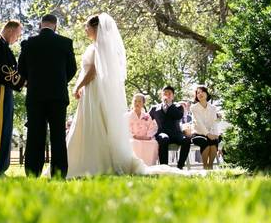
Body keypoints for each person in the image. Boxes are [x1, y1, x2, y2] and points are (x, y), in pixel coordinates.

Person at [66, 14, 187, 177]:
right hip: (92, 92)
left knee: (95, 124)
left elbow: (93, 71)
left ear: (96, 28)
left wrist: (77, 87)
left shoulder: (99, 48)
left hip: (93, 91)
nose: (85, 29)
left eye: (87, 26)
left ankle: (93, 162)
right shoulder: (99, 47)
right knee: (93, 125)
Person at [17, 13, 77, 178]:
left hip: (35, 95)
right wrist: (61, 81)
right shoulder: (65, 43)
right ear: (55, 25)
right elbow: (72, 69)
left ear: (40, 24)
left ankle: (32, 172)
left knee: (35, 134)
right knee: (58, 135)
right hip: (58, 95)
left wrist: (32, 80)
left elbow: (21, 69)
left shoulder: (29, 43)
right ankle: (58, 174)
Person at [0, 20, 24, 176]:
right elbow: (5, 72)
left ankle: (0, 168)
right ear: (11, 30)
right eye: (18, 35)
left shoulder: (2, 45)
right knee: (0, 131)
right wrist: (23, 82)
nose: (17, 39)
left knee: (5, 131)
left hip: (3, 91)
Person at [151, 85, 191, 169]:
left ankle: (180, 166)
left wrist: (169, 105)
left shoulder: (178, 107)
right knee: (164, 138)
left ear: (173, 96)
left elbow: (178, 116)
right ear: (161, 95)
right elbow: (146, 120)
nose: (167, 95)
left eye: (169, 93)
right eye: (165, 93)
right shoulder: (154, 108)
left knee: (186, 140)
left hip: (176, 134)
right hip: (162, 133)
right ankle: (164, 167)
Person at [189, 85, 223, 169]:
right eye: (198, 93)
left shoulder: (213, 108)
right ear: (196, 96)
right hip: (198, 133)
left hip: (211, 133)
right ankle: (205, 166)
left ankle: (210, 166)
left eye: (202, 91)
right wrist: (208, 134)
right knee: (205, 142)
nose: (200, 94)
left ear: (207, 94)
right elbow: (199, 123)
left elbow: (214, 123)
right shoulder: (194, 108)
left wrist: (214, 134)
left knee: (214, 142)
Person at [126, 93, 159, 166]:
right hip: (133, 138)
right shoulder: (128, 115)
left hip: (145, 138)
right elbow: (125, 128)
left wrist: (148, 136)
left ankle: (149, 165)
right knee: (134, 143)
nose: (137, 103)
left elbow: (152, 127)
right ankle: (135, 166)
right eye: (135, 101)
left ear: (143, 103)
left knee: (153, 143)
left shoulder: (146, 116)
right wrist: (134, 136)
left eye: (139, 101)